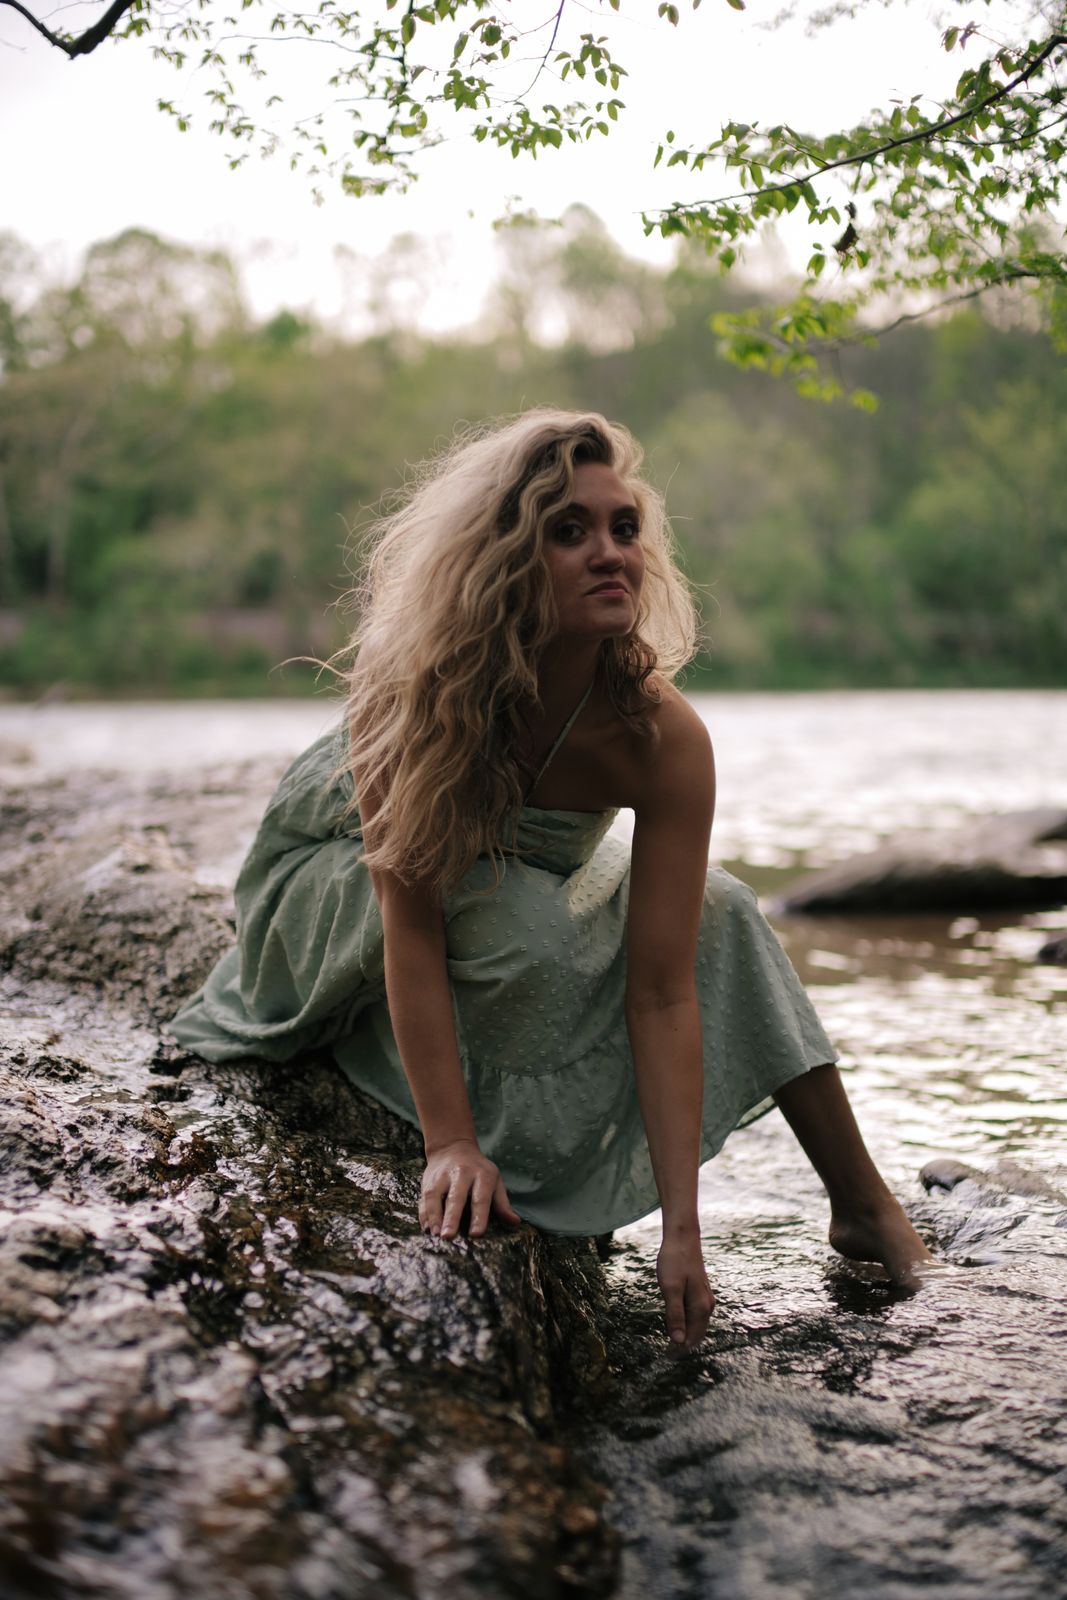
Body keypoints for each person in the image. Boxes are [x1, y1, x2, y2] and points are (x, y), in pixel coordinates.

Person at [170, 407, 933, 1355]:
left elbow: (659, 993)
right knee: (516, 920)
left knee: (725, 906)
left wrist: (682, 1232)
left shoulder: (662, 735)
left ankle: (861, 1204)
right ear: (503, 560)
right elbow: (410, 926)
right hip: (339, 871)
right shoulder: (412, 689)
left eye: (622, 527)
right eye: (568, 531)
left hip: (529, 876)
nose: (609, 551)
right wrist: (450, 1143)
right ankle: (448, 1094)